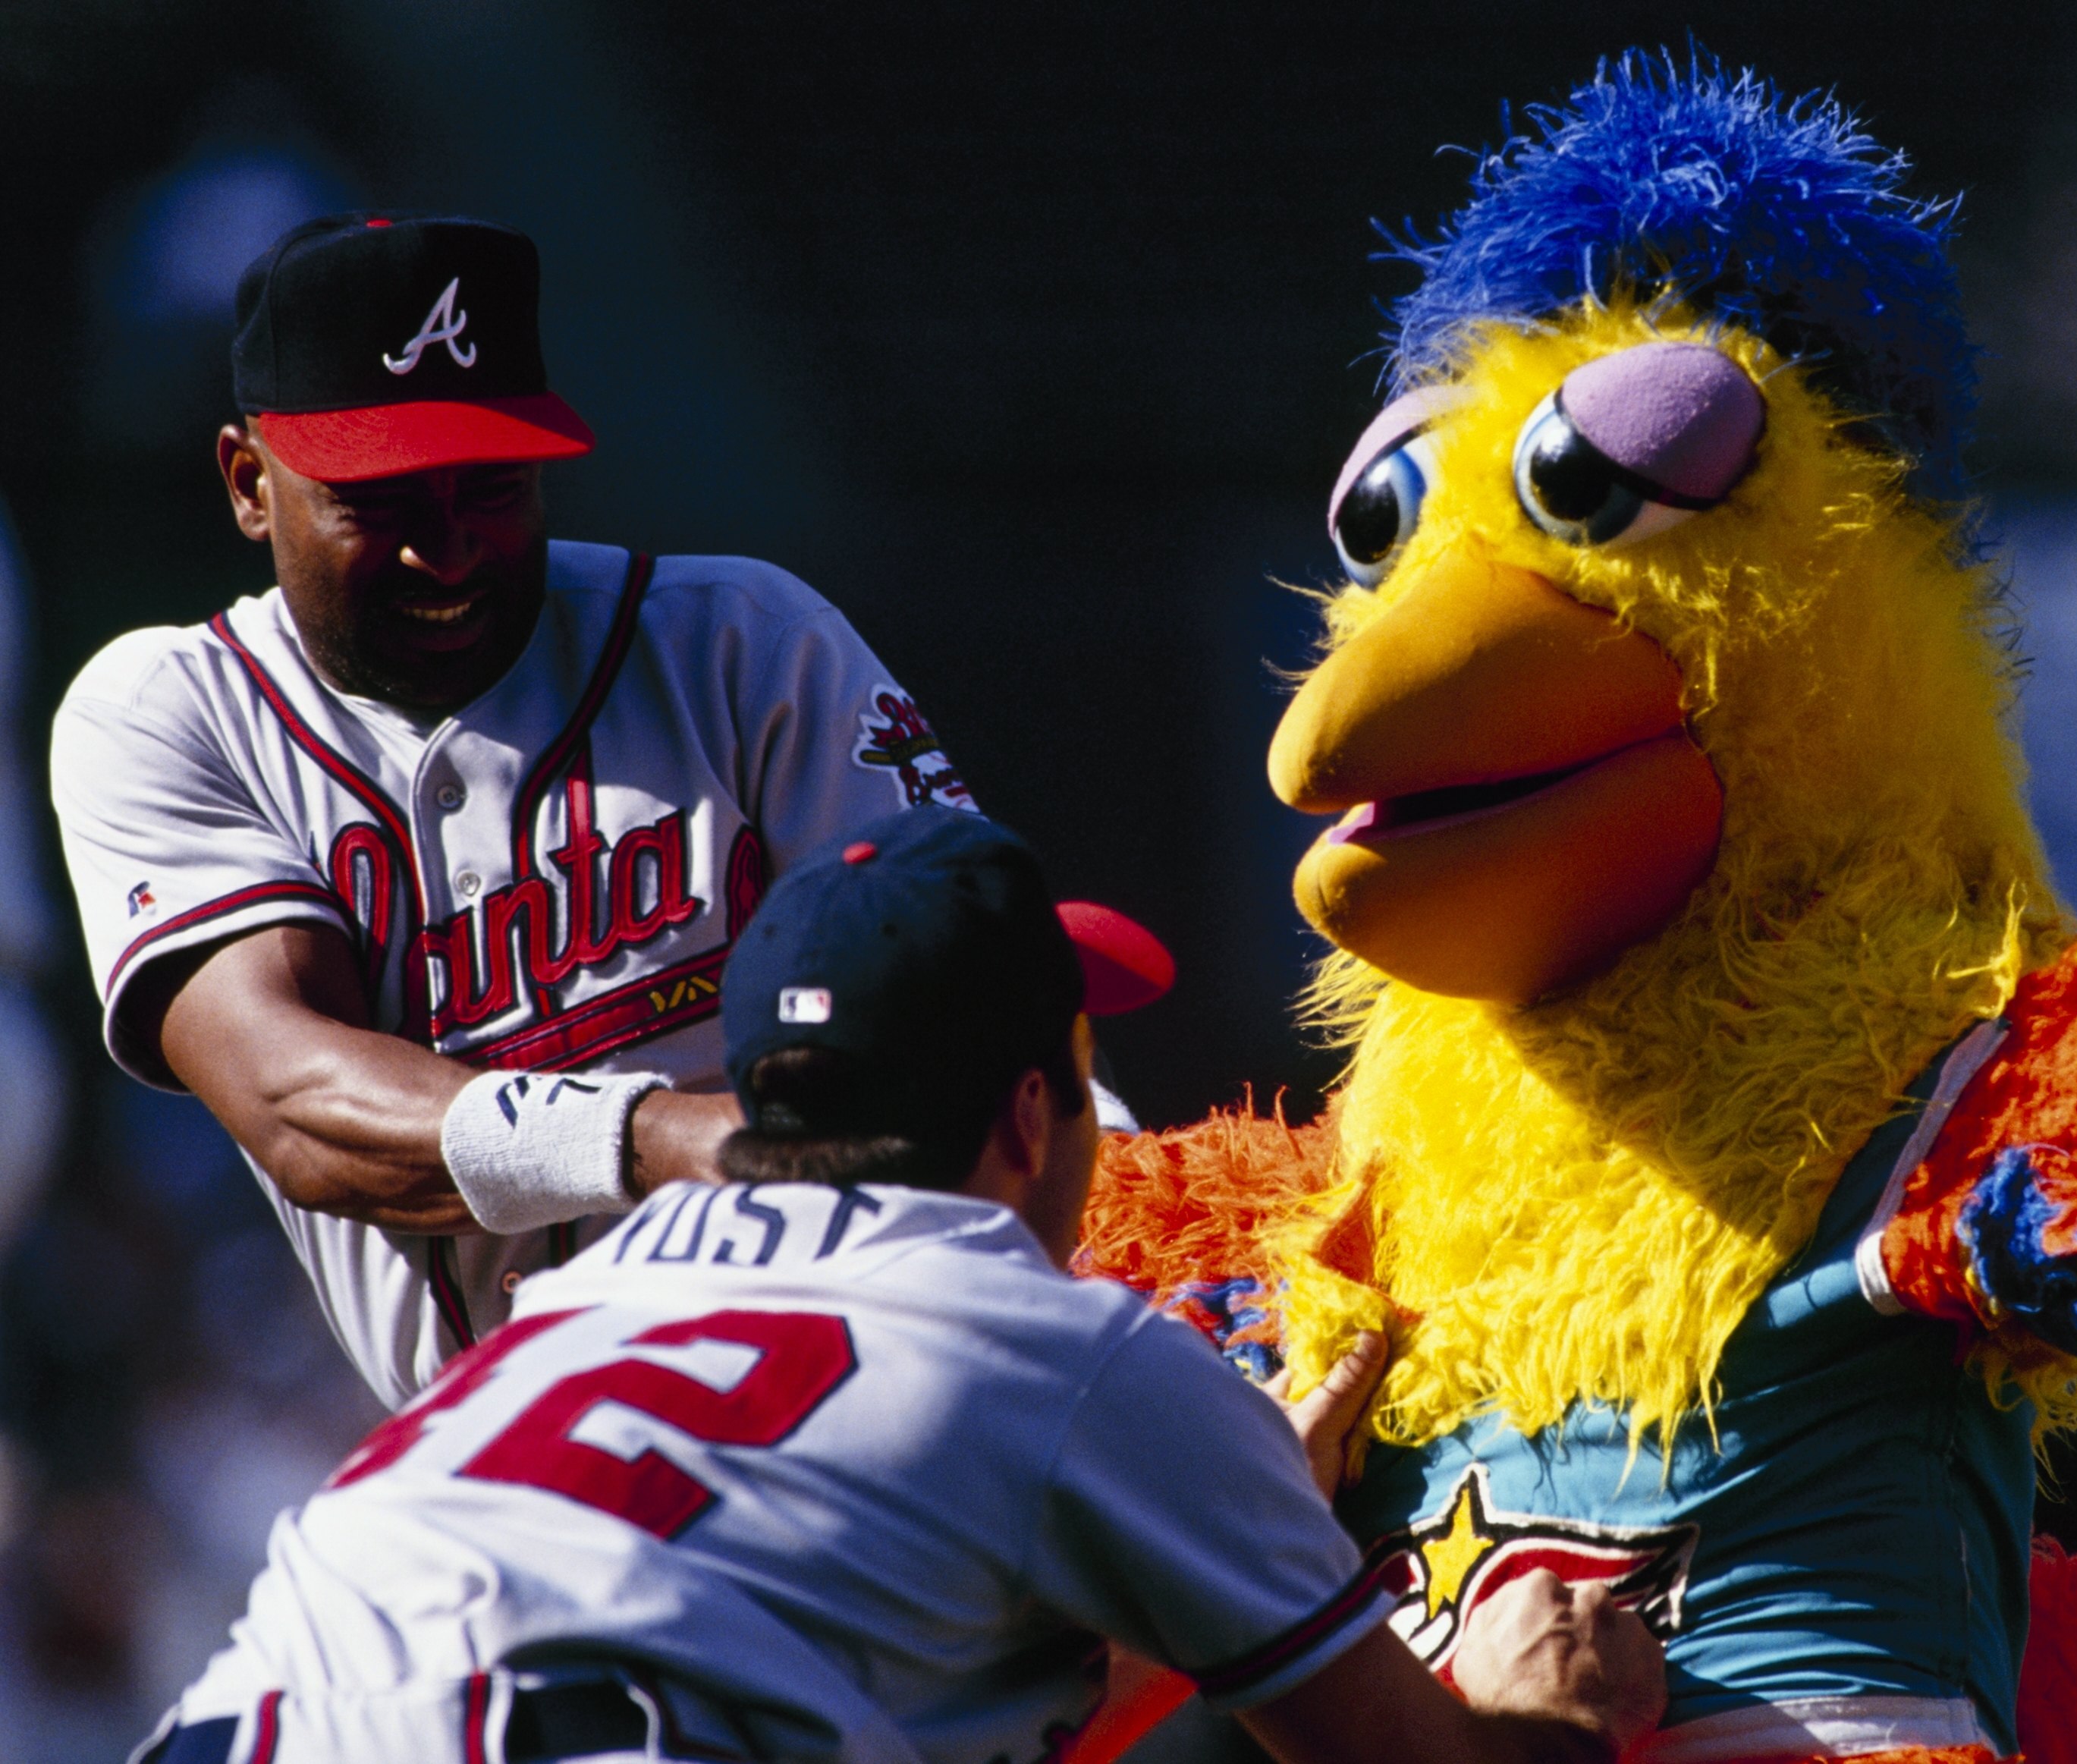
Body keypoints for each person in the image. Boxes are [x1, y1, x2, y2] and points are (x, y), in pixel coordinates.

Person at [130, 805, 1667, 1764]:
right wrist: (1550, 1719)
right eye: (1078, 1071)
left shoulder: (589, 1296)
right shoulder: (1073, 1350)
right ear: (1024, 1117)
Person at [51, 212, 995, 1407]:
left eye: (490, 485)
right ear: (250, 483)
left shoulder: (744, 647)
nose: (446, 550)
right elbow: (301, 1109)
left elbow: (988, 1002)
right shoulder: (170, 713)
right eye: (381, 499)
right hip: (509, 1463)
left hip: (856, 1379)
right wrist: (662, 1139)